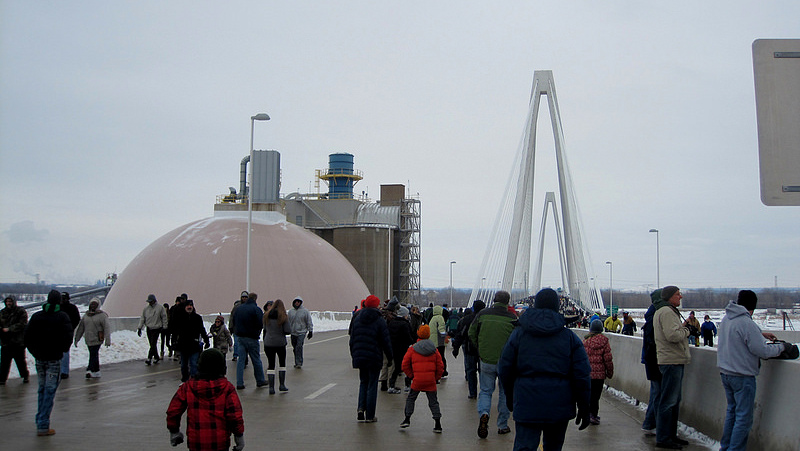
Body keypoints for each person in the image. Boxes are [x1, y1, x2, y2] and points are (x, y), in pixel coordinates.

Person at [497, 288, 591, 451]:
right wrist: (583, 404)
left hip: (526, 402)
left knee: (524, 447)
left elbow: (505, 368)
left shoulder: (519, 335)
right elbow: (582, 375)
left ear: (535, 305)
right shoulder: (569, 338)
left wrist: (511, 397)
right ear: (557, 307)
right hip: (559, 405)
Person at [716, 290, 788, 451]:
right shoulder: (746, 323)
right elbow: (762, 351)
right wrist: (782, 347)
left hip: (726, 373)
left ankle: (726, 447)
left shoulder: (728, 318)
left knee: (732, 412)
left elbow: (739, 335)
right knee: (743, 418)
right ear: (753, 307)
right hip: (742, 376)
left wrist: (759, 334)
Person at [166, 348, 245, 451]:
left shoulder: (188, 387)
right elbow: (235, 416)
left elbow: (173, 410)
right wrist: (239, 436)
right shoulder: (227, 388)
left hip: (196, 442)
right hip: (220, 442)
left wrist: (174, 430)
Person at [23, 289, 73, 436]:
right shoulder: (62, 317)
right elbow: (68, 337)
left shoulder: (37, 316)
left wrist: (35, 352)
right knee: (49, 391)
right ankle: (43, 424)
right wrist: (60, 350)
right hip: (53, 360)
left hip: (40, 359)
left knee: (42, 389)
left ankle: (40, 420)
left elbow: (27, 337)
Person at [468, 290, 517, 439]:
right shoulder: (512, 318)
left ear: (494, 300)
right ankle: (502, 425)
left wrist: (480, 348)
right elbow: (517, 340)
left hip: (486, 359)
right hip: (505, 363)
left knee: (485, 391)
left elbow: (471, 332)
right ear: (507, 302)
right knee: (504, 393)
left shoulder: (483, 314)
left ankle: (484, 414)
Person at [653, 285, 692, 449]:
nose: (680, 297)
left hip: (672, 360)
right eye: (677, 294)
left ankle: (670, 434)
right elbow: (673, 335)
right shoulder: (667, 313)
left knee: (673, 401)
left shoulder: (664, 312)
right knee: (668, 401)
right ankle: (663, 437)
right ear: (669, 297)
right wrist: (687, 331)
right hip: (671, 361)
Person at [348, 294, 392, 423]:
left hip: (360, 356)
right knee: (372, 385)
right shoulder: (379, 320)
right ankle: (370, 415)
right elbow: (386, 341)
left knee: (363, 382)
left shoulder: (357, 318)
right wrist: (390, 357)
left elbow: (352, 340)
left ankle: (361, 408)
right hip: (374, 357)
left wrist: (354, 355)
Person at [399, 325, 444, 433]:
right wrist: (436, 378)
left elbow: (404, 364)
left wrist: (411, 376)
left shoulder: (413, 349)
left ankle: (407, 419)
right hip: (430, 380)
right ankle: (437, 424)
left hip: (417, 380)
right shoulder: (434, 350)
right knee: (433, 402)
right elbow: (440, 366)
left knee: (411, 398)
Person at [451, 300, 486, 399]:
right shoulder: (485, 320)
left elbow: (460, 335)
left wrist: (456, 348)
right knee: (483, 371)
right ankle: (484, 392)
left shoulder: (466, 320)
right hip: (483, 350)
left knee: (471, 371)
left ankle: (473, 392)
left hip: (470, 349)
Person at [232, 293, 267, 389]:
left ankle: (239, 383)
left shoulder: (239, 309)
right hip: (252, 338)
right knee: (256, 360)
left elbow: (234, 320)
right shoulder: (256, 309)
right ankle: (260, 380)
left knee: (241, 361)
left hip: (240, 337)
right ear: (255, 299)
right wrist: (256, 333)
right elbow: (260, 323)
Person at [583, 319, 614, 425]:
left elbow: (581, 358)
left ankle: (588, 414)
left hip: (587, 374)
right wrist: (609, 372)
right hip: (599, 375)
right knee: (596, 396)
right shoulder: (604, 341)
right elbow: (608, 359)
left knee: (588, 395)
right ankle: (593, 414)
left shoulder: (586, 341)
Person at [640, 289, 662, 436]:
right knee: (658, 393)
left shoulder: (650, 316)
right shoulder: (655, 318)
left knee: (656, 392)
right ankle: (650, 423)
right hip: (655, 360)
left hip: (650, 360)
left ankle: (650, 423)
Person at [172, 300, 210, 383]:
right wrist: (174, 342)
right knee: (183, 365)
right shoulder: (180, 318)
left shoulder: (197, 318)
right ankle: (185, 379)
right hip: (183, 345)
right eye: (188, 306)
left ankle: (194, 380)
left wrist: (206, 340)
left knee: (193, 364)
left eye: (191, 306)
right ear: (185, 307)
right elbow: (175, 331)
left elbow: (202, 330)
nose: (189, 307)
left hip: (194, 346)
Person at [74, 297, 111, 378]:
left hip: (97, 338)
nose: (93, 306)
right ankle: (96, 370)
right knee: (93, 354)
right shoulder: (86, 316)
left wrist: (107, 340)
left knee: (93, 353)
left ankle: (90, 369)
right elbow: (81, 328)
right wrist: (77, 339)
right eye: (92, 304)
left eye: (95, 304)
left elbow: (107, 328)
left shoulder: (102, 316)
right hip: (88, 338)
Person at [262, 299, 290, 394]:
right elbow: (287, 330)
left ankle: (271, 387)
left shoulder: (266, 316)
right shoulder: (283, 317)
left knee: (271, 364)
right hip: (280, 343)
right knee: (282, 363)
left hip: (268, 342)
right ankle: (282, 385)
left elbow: (265, 328)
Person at [0, 295, 30, 384]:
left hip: (18, 342)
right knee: (4, 362)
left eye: (10, 302)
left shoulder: (20, 311)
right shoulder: (2, 312)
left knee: (20, 361)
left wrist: (10, 329)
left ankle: (25, 376)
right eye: (7, 302)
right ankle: (2, 379)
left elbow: (23, 324)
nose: (8, 303)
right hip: (6, 342)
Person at [387, 305, 415, 393]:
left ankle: (391, 384)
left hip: (394, 347)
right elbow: (408, 336)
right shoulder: (405, 324)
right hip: (404, 348)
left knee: (397, 367)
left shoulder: (391, 323)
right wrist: (413, 342)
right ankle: (407, 385)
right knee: (407, 366)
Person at [137, 294, 168, 365]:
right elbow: (142, 318)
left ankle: (149, 358)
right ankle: (156, 357)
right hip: (149, 328)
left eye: (151, 301)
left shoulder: (160, 308)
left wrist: (164, 326)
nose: (150, 303)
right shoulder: (146, 309)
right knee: (152, 344)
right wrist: (139, 328)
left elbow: (164, 317)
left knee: (153, 343)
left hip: (157, 328)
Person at [58, 291, 80, 379]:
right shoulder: (57, 308)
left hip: (67, 333)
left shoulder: (72, 308)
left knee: (65, 352)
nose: (62, 300)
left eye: (64, 298)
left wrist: (70, 328)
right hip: (58, 332)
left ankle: (64, 371)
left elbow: (76, 319)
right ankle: (59, 370)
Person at [287, 296, 313, 369]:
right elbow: (288, 321)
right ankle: (296, 361)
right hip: (293, 332)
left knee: (299, 346)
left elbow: (309, 321)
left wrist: (310, 330)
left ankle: (299, 362)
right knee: (295, 347)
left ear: (300, 303)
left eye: (298, 302)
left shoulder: (305, 311)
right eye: (296, 302)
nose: (297, 303)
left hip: (302, 332)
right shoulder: (291, 311)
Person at [427, 305, 448, 378]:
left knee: (434, 357)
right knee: (441, 357)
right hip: (439, 341)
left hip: (433, 340)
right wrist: (446, 335)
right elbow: (441, 329)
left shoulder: (432, 318)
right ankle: (443, 371)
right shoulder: (440, 318)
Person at [229, 292, 248, 362]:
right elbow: (232, 317)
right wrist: (231, 327)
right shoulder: (237, 307)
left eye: (246, 297)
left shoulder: (249, 306)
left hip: (246, 329)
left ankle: (244, 357)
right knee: (237, 343)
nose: (244, 298)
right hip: (236, 328)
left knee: (244, 344)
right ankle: (236, 355)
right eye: (243, 297)